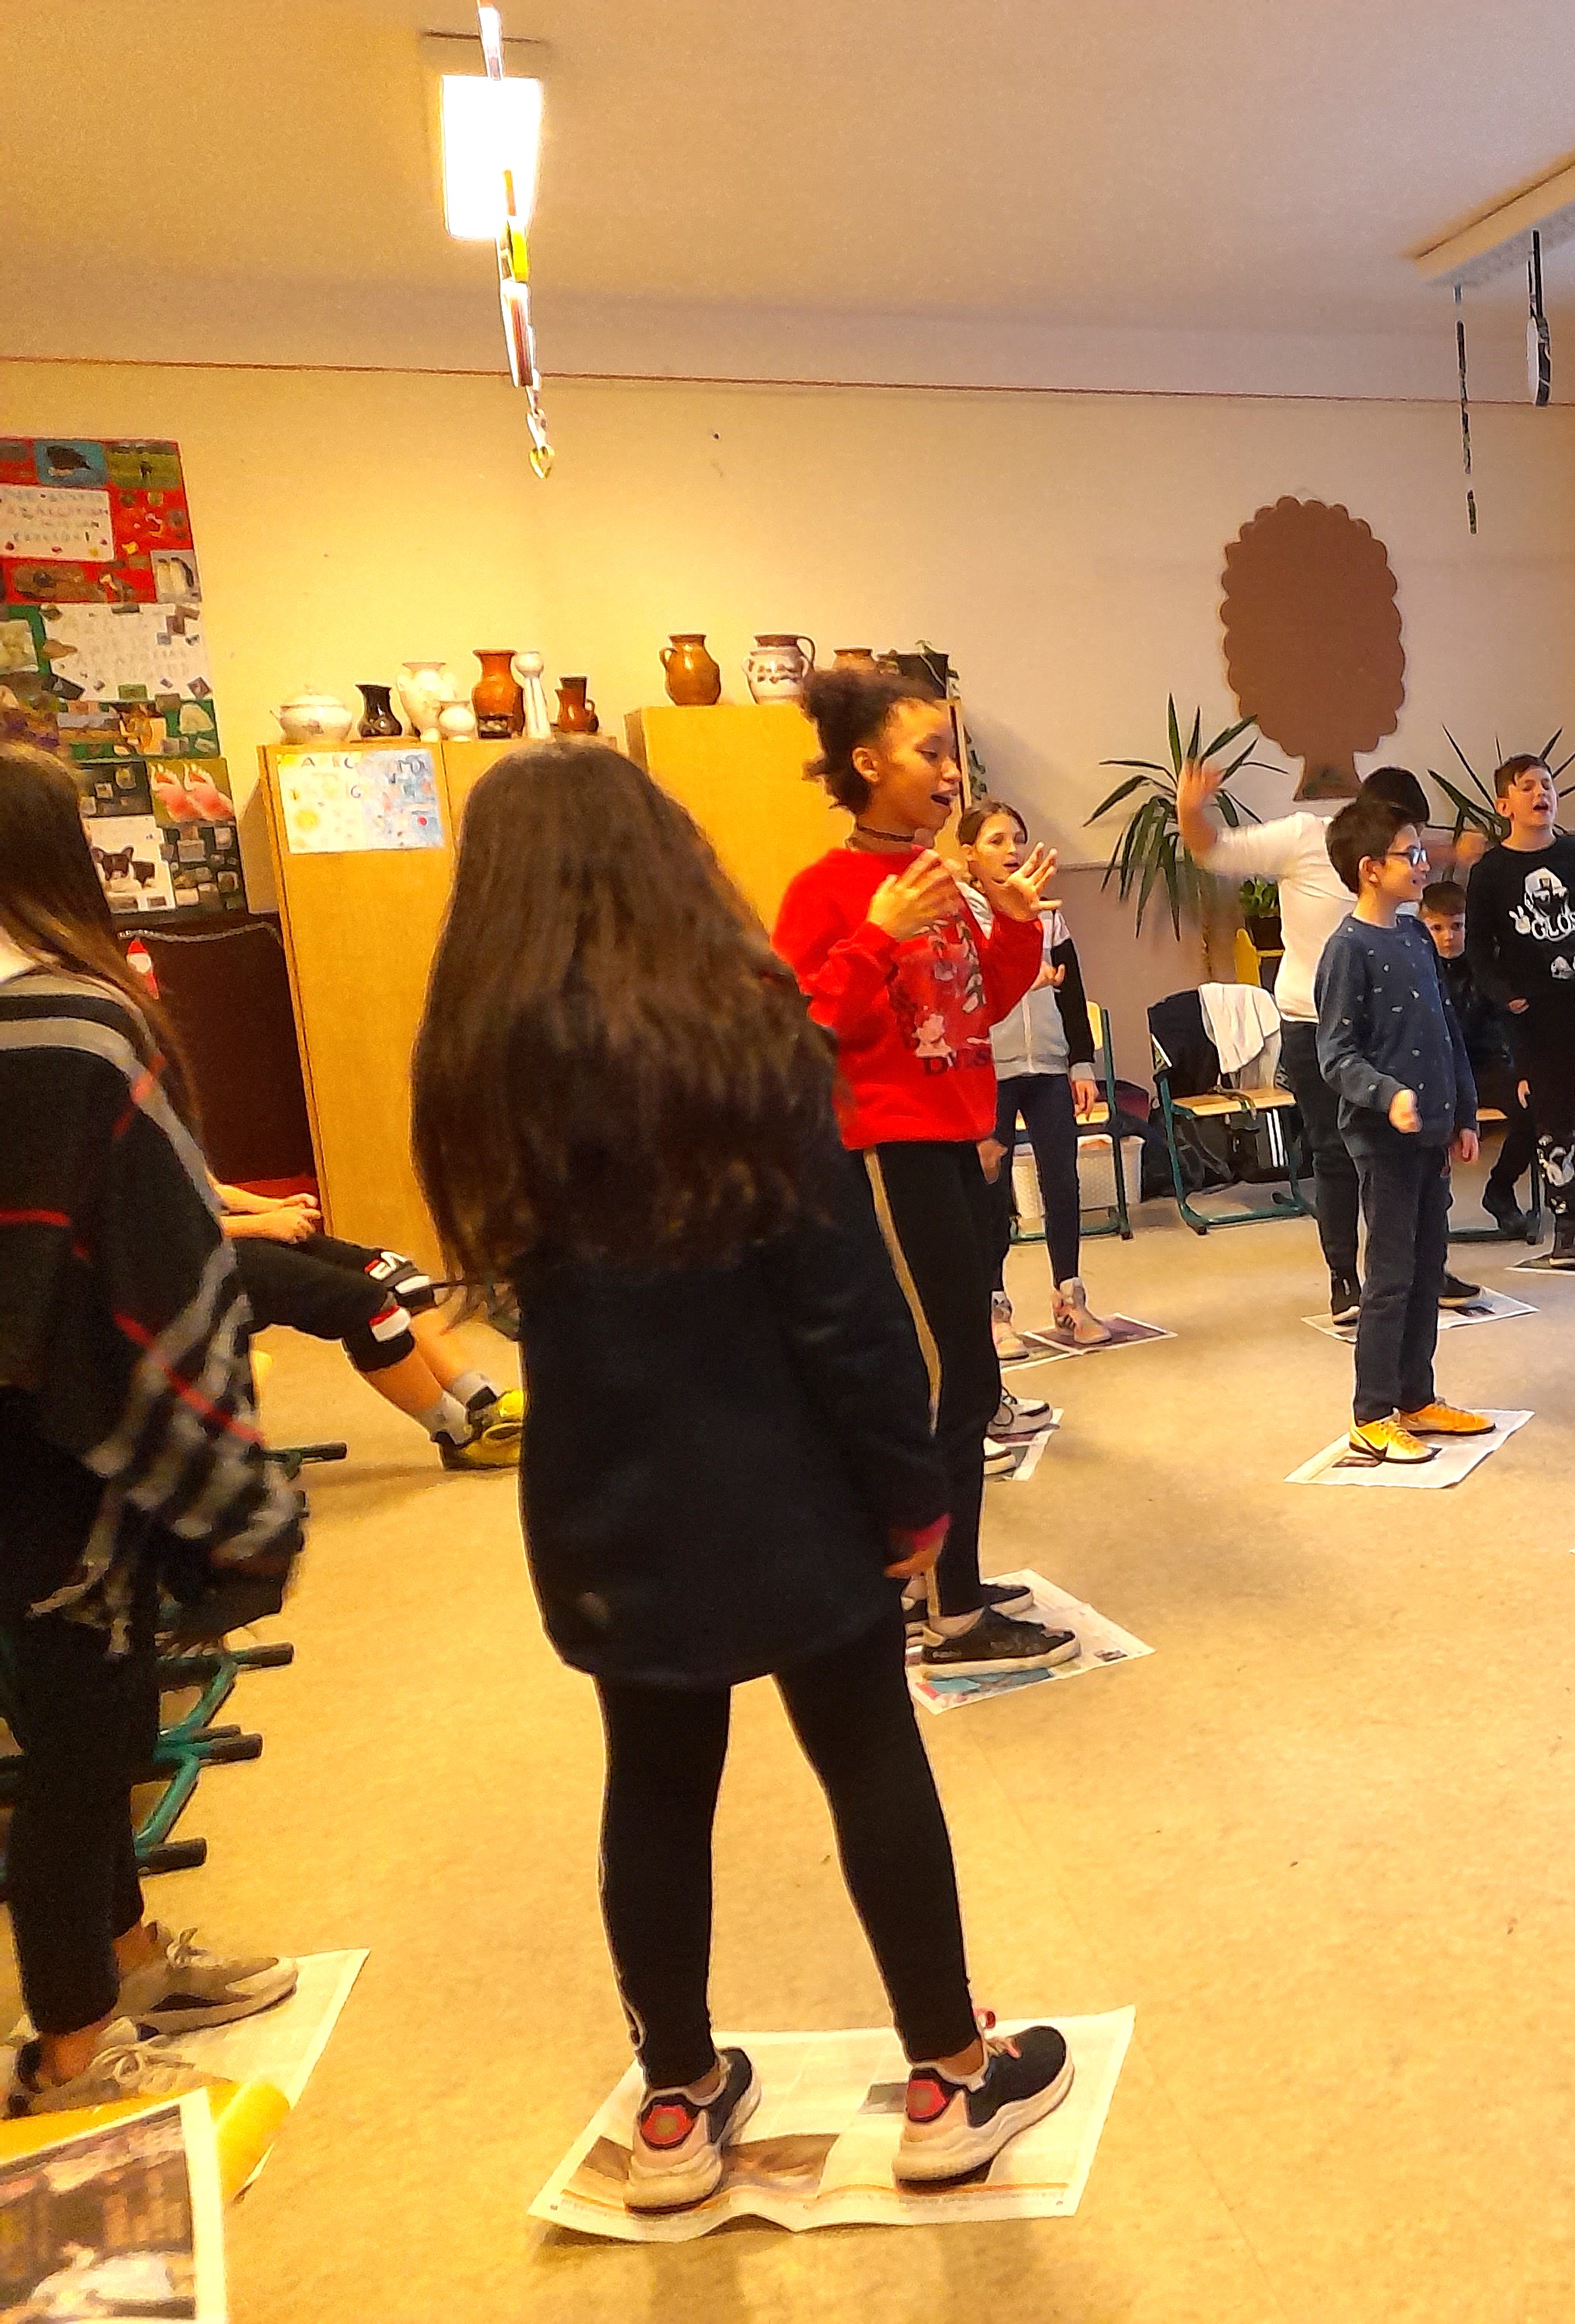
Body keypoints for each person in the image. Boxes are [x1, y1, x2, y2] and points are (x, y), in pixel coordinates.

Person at [415, 741, 1075, 2211]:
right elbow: (840, 1303)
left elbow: (515, 1296)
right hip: (786, 1486)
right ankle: (950, 2077)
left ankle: (674, 2103)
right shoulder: (745, 1034)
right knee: (868, 1753)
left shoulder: (478, 1063)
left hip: (602, 1496)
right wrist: (910, 1493)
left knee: (653, 1784)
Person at [0, 742, 303, 2116]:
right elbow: (162, 1257)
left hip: (31, 1428)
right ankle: (72, 2049)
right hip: (69, 1441)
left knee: (73, 1720)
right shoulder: (79, 1024)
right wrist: (229, 1490)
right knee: (83, 1745)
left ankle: (125, 1960)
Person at [769, 668, 1073, 1676]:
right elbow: (797, 1030)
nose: (951, 772)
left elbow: (978, 1005)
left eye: (953, 752)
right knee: (953, 1378)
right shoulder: (827, 890)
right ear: (867, 764)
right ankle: (950, 1616)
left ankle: (931, 1581)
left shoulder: (939, 879)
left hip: (958, 1140)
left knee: (958, 1368)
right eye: (929, 753)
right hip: (889, 1151)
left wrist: (1014, 920)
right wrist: (878, 935)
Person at [1180, 762, 1453, 1321]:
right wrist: (1190, 810)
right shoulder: (1305, 838)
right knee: (1335, 1153)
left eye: (1418, 843)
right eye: (1405, 843)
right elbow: (1214, 850)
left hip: (1390, 1029)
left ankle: (1415, 1265)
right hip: (1313, 1023)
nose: (1416, 856)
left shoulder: (1408, 880)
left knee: (1408, 1152)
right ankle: (1344, 1276)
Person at [1312, 793, 1492, 1466]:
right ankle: (1372, 1413)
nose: (1423, 864)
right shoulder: (1347, 950)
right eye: (1409, 854)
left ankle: (1416, 1397)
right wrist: (1388, 1097)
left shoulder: (1416, 936)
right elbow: (1336, 1055)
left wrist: (1464, 1113)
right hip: (1384, 1141)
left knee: (1425, 1270)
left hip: (1432, 1135)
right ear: (1370, 869)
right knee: (1388, 1278)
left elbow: (1446, 1033)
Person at [216, 1188, 527, 1469]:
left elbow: (203, 1182)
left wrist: (269, 1206)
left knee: (400, 1279)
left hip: (224, 1233)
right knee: (369, 1306)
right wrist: (259, 1225)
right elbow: (183, 1231)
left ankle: (484, 1400)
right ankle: (458, 1435)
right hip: (200, 1262)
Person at [1465, 755, 1575, 1263]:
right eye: (1528, 787)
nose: (1541, 794)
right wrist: (1503, 992)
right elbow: (1479, 949)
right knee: (1552, 1114)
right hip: (1536, 1012)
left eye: (1547, 785)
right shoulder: (1490, 872)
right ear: (1505, 806)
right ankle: (1567, 1220)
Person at [957, 803, 1112, 1352]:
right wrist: (1025, 976)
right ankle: (995, 1308)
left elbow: (1072, 990)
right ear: (969, 853)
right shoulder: (959, 912)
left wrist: (1081, 1062)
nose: (1012, 851)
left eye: (1017, 839)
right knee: (992, 1191)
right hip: (988, 1071)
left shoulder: (1045, 912)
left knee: (1062, 1182)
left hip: (1047, 1066)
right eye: (997, 840)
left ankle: (1070, 1296)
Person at [1419, 879, 1535, 1233]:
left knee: (1535, 1108)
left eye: (1457, 926)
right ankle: (1433, 1205)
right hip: (1435, 1072)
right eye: (1437, 928)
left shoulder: (1487, 967)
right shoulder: (1416, 967)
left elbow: (1513, 1023)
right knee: (1421, 1121)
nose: (1448, 937)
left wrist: (1524, 1071)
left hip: (1487, 1066)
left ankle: (1500, 1189)